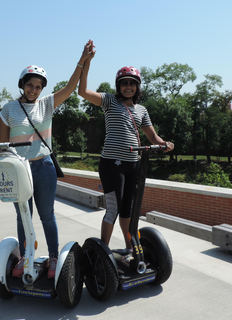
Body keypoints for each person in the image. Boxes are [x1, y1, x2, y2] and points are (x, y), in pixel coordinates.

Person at [0, 40, 95, 279]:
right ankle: (25, 256)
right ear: (22, 85)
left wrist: (83, 61)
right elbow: (3, 147)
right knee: (23, 215)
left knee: (47, 215)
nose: (34, 89)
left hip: (43, 166)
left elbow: (71, 87)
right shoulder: (8, 110)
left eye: (38, 86)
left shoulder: (46, 105)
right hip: (19, 168)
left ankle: (53, 257)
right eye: (30, 85)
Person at [78, 41, 174, 264]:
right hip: (112, 163)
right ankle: (103, 251)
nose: (128, 87)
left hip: (134, 165)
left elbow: (153, 137)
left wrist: (165, 144)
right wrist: (86, 62)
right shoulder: (110, 101)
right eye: (124, 83)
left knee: (129, 209)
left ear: (137, 87)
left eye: (132, 83)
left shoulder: (141, 110)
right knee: (113, 208)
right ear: (118, 86)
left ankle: (130, 246)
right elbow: (82, 91)